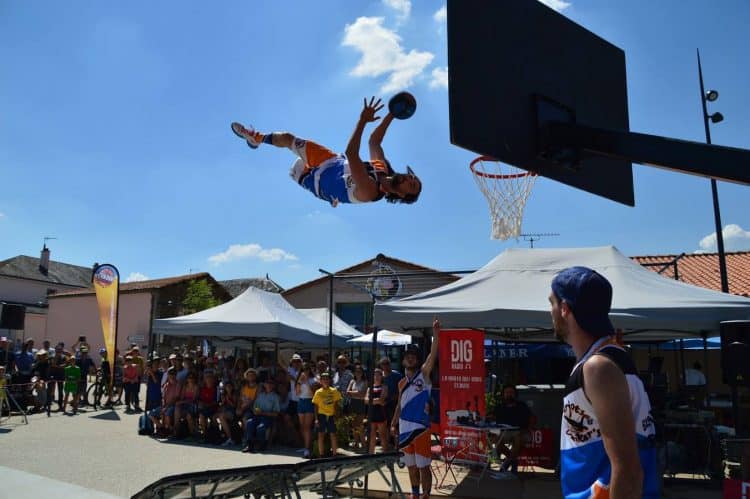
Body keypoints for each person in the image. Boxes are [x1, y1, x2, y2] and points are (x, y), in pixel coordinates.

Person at [550, 266, 658, 499]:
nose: (550, 311)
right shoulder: (602, 361)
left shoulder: (599, 368)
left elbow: (629, 471)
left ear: (565, 309)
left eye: (552, 303)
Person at [231, 97, 422, 207]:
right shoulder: (383, 168)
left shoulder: (371, 192)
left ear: (403, 196)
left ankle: (261, 141)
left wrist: (363, 120)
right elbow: (374, 141)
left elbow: (353, 153)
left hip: (315, 180)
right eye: (411, 177)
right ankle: (256, 137)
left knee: (296, 163)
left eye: (411, 186)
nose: (408, 179)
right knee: (289, 138)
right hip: (331, 162)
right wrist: (392, 114)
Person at [391, 319, 440, 499]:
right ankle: (415, 495)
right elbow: (399, 405)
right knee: (411, 467)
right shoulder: (400, 383)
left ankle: (426, 495)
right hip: (404, 429)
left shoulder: (424, 374)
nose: (410, 358)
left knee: (423, 467)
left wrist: (436, 335)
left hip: (420, 429)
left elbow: (432, 356)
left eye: (413, 356)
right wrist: (393, 424)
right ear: (403, 360)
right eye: (407, 356)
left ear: (418, 360)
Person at [492, 384, 532, 473]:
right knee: (496, 441)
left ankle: (506, 464)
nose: (509, 394)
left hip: (520, 431)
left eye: (511, 392)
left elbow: (530, 419)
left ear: (515, 394)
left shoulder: (522, 406)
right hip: (504, 432)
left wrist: (525, 428)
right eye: (507, 392)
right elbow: (493, 420)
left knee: (518, 439)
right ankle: (513, 460)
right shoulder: (499, 407)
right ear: (503, 394)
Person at [243, 377, 280, 453]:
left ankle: (262, 444)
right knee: (249, 422)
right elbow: (255, 406)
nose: (269, 385)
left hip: (268, 418)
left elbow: (276, 413)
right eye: (267, 383)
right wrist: (255, 410)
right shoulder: (260, 395)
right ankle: (249, 445)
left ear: (273, 386)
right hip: (257, 416)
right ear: (265, 385)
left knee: (261, 427)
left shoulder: (275, 397)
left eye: (271, 383)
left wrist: (263, 413)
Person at [312, 372, 343, 457]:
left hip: (331, 415)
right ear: (320, 381)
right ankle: (321, 455)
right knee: (321, 435)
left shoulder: (334, 391)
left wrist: (337, 415)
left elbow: (337, 404)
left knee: (333, 434)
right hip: (321, 415)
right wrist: (316, 419)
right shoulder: (318, 392)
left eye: (327, 379)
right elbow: (315, 406)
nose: (325, 381)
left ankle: (334, 454)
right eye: (323, 379)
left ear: (329, 380)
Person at [365, 367, 390, 454]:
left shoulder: (384, 387)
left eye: (378, 374)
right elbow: (366, 400)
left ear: (381, 376)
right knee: (371, 435)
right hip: (372, 414)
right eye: (375, 375)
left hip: (381, 413)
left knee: (382, 435)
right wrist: (377, 401)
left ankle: (385, 454)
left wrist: (372, 401)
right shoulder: (369, 388)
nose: (376, 376)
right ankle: (371, 454)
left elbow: (382, 400)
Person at [296, 362, 316, 459]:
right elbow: (297, 392)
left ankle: (308, 448)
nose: (305, 371)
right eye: (304, 369)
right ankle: (305, 446)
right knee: (302, 426)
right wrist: (300, 382)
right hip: (301, 402)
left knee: (307, 427)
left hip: (309, 402)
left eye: (307, 369)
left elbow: (313, 394)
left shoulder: (313, 380)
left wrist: (307, 381)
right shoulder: (300, 380)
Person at [346, 364, 368, 449]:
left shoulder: (365, 381)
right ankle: (356, 442)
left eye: (359, 371)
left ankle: (363, 443)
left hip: (360, 403)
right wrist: (357, 393)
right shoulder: (352, 381)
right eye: (356, 371)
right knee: (354, 424)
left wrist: (353, 393)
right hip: (353, 403)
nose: (358, 373)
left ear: (362, 372)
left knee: (360, 424)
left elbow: (363, 394)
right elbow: (347, 392)